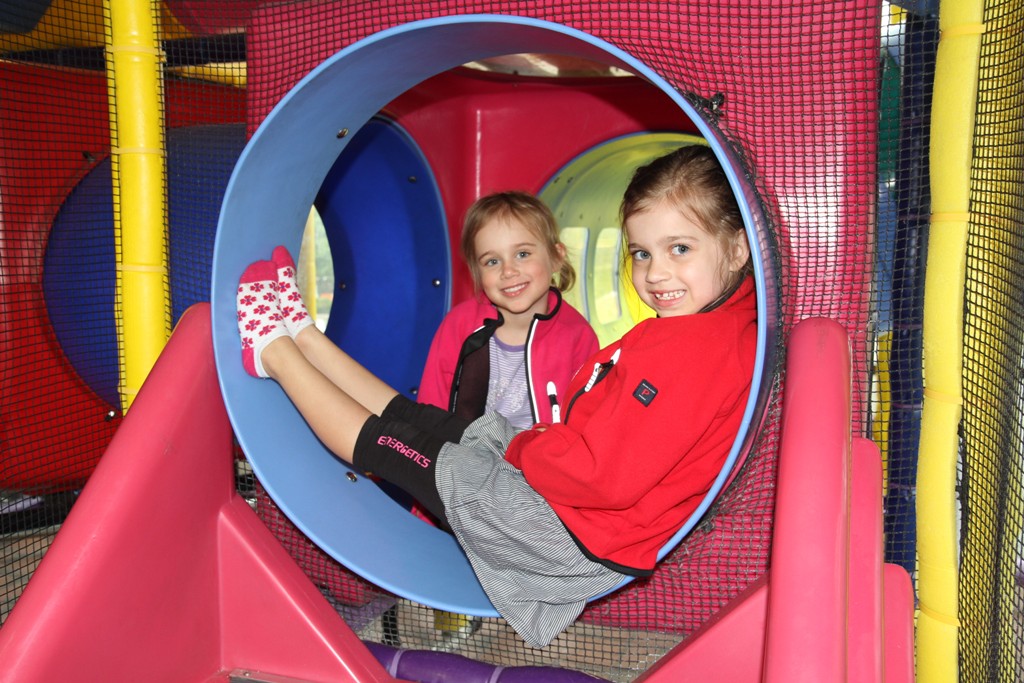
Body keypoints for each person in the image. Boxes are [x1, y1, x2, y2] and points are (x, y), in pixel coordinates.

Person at [234, 144, 757, 648]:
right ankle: (305, 336)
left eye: (680, 248)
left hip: (568, 533)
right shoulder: (712, 328)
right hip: (571, 503)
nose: (656, 273)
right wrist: (533, 446)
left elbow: (602, 477)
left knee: (396, 445)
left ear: (737, 248)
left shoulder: (697, 349)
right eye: (642, 253)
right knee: (425, 422)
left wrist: (529, 447)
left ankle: (273, 353)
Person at [418, 191, 598, 430]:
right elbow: (432, 402)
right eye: (492, 261)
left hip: (540, 450)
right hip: (467, 448)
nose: (508, 271)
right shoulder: (459, 325)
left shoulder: (577, 335)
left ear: (556, 257)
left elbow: (587, 416)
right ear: (477, 272)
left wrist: (554, 440)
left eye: (522, 254)